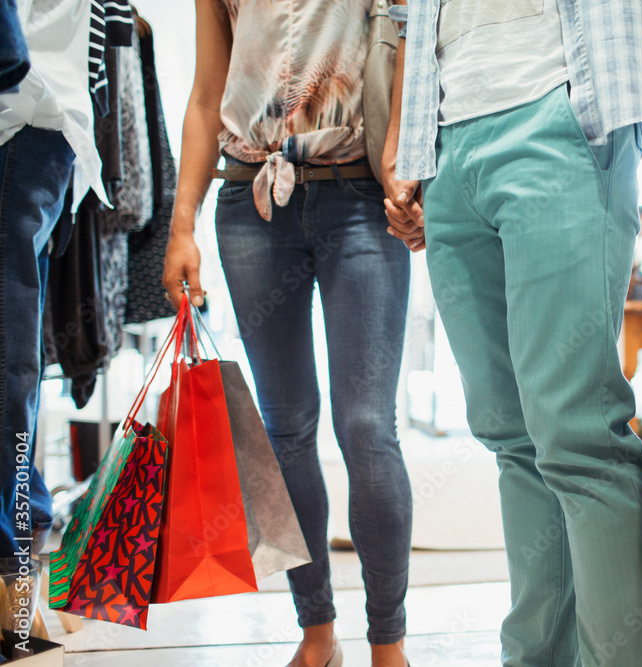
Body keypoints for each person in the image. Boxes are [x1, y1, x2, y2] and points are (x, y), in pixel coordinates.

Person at [381, 0, 642, 664]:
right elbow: (411, 21)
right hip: (446, 149)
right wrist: (407, 147)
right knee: (510, 436)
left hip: (568, 114)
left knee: (578, 432)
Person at [161, 1, 416, 665]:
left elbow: (412, 47)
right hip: (249, 203)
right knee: (284, 431)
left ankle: (388, 639)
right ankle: (317, 630)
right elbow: (205, 95)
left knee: (366, 425)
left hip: (359, 196)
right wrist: (180, 224)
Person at [1, 0, 111, 571]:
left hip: (17, 111)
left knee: (9, 363)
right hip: (39, 117)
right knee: (14, 363)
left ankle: (16, 564)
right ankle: (22, 559)